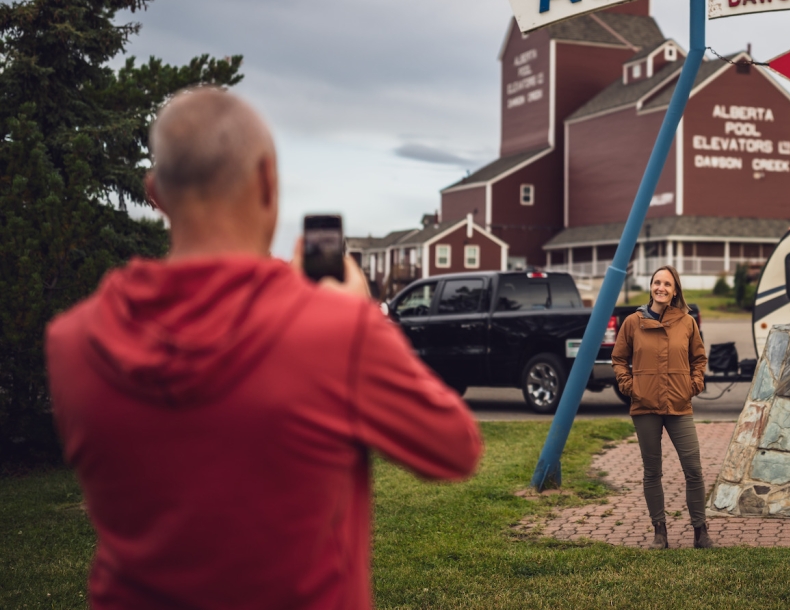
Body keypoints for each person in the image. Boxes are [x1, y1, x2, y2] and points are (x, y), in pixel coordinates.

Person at [44, 88, 483, 609]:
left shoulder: (71, 342)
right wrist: (355, 314)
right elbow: (456, 449)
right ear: (268, 182)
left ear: (155, 192)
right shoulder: (339, 333)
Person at [612, 264, 715, 549]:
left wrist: (692, 385)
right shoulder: (633, 322)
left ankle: (700, 531)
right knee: (652, 471)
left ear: (675, 291)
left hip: (679, 405)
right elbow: (619, 359)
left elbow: (699, 359)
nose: (661, 288)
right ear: (651, 287)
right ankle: (660, 532)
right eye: (657, 282)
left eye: (667, 284)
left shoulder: (686, 322)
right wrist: (630, 387)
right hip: (644, 407)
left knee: (693, 469)